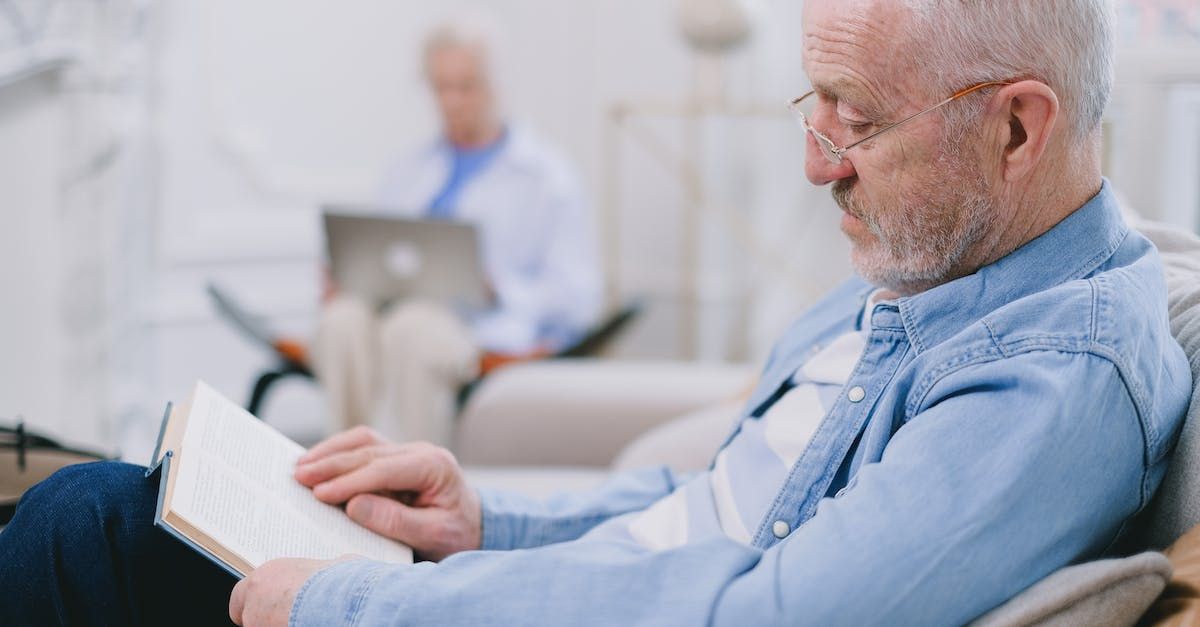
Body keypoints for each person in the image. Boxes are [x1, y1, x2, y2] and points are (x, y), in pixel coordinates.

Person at [1, 0, 1192, 624]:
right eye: (812, 106)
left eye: (858, 121)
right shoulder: (943, 262)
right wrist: (483, 522)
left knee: (90, 523)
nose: (819, 163)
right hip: (522, 587)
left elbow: (773, 612)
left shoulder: (1056, 374)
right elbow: (715, 505)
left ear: (1018, 128)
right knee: (113, 501)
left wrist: (365, 603)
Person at [311, 18, 601, 446]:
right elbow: (383, 250)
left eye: (466, 86)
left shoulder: (547, 178)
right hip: (387, 312)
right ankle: (344, 469)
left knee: (412, 328)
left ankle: (407, 487)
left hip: (478, 327)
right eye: (440, 87)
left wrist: (498, 287)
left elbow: (580, 299)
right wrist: (347, 276)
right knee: (340, 321)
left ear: (497, 85)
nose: (452, 101)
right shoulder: (410, 169)